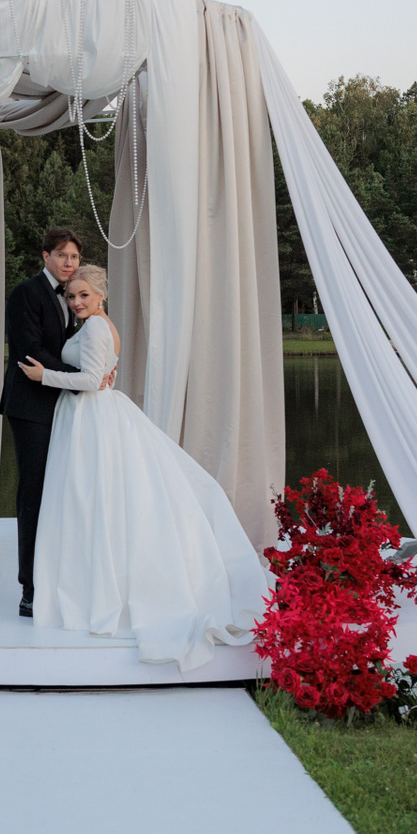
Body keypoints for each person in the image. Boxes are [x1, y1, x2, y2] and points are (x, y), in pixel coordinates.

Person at [19, 264, 273, 672]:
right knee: (93, 500)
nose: (77, 302)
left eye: (84, 295)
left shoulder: (96, 328)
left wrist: (43, 375)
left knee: (88, 499)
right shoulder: (100, 325)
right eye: (72, 296)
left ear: (100, 295)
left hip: (90, 417)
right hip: (92, 415)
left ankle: (95, 592)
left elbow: (91, 380)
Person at [0, 228, 84, 618]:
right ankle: (29, 589)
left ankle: (56, 579)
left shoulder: (73, 296)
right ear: (45, 255)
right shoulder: (25, 293)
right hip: (31, 406)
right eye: (62, 255)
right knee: (33, 493)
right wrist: (80, 379)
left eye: (74, 257)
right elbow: (30, 351)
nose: (69, 262)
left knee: (61, 493)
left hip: (60, 404)